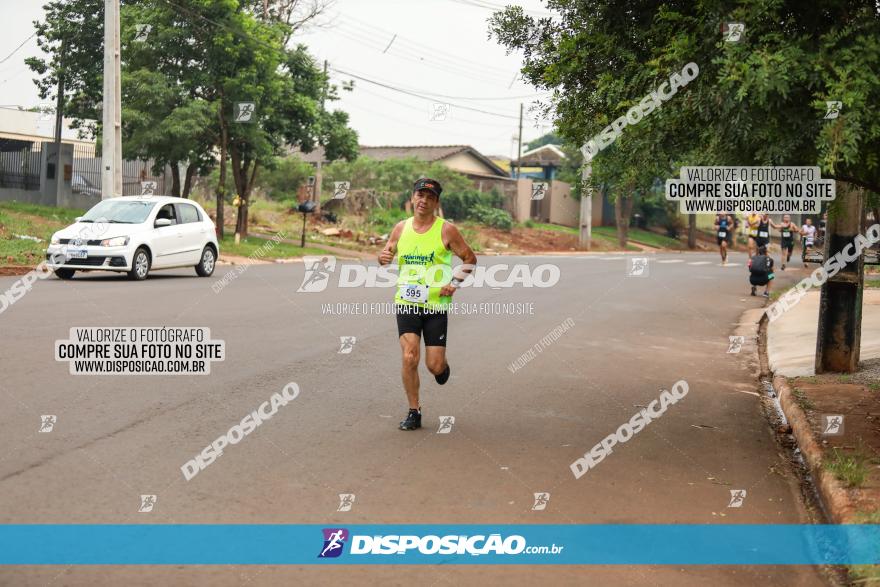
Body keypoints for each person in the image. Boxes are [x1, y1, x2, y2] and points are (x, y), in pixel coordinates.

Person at [378, 178, 478, 431]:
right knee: (409, 356)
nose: (423, 201)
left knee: (433, 365)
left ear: (436, 203)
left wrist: (454, 282)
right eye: (419, 195)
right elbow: (386, 255)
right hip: (407, 301)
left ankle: (442, 368)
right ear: (412, 198)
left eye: (430, 197)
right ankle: (414, 411)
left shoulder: (447, 230)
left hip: (436, 306)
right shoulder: (401, 228)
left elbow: (469, 258)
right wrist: (382, 257)